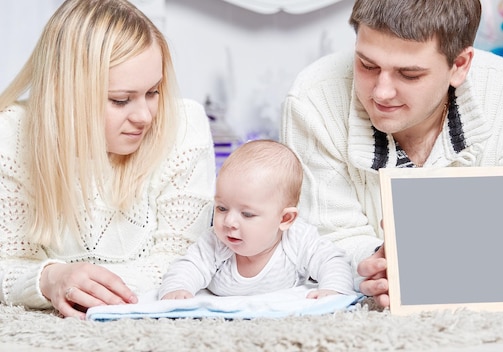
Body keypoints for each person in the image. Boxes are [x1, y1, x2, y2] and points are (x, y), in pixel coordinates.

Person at [280, 0, 503, 308]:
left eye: (409, 74)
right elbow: (327, 234)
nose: (381, 92)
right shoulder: (313, 99)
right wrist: (378, 262)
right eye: (367, 65)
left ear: (460, 64)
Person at [0, 0, 215, 319]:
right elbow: (8, 261)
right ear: (66, 94)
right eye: (121, 100)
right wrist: (50, 279)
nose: (144, 116)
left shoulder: (184, 127)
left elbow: (183, 262)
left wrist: (79, 284)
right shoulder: (11, 134)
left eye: (153, 92)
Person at [158, 139, 354, 300]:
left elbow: (332, 261)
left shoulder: (297, 239)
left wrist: (333, 289)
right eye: (222, 208)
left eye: (247, 214)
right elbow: (188, 266)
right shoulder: (215, 242)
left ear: (285, 218)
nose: (229, 222)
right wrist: (177, 289)